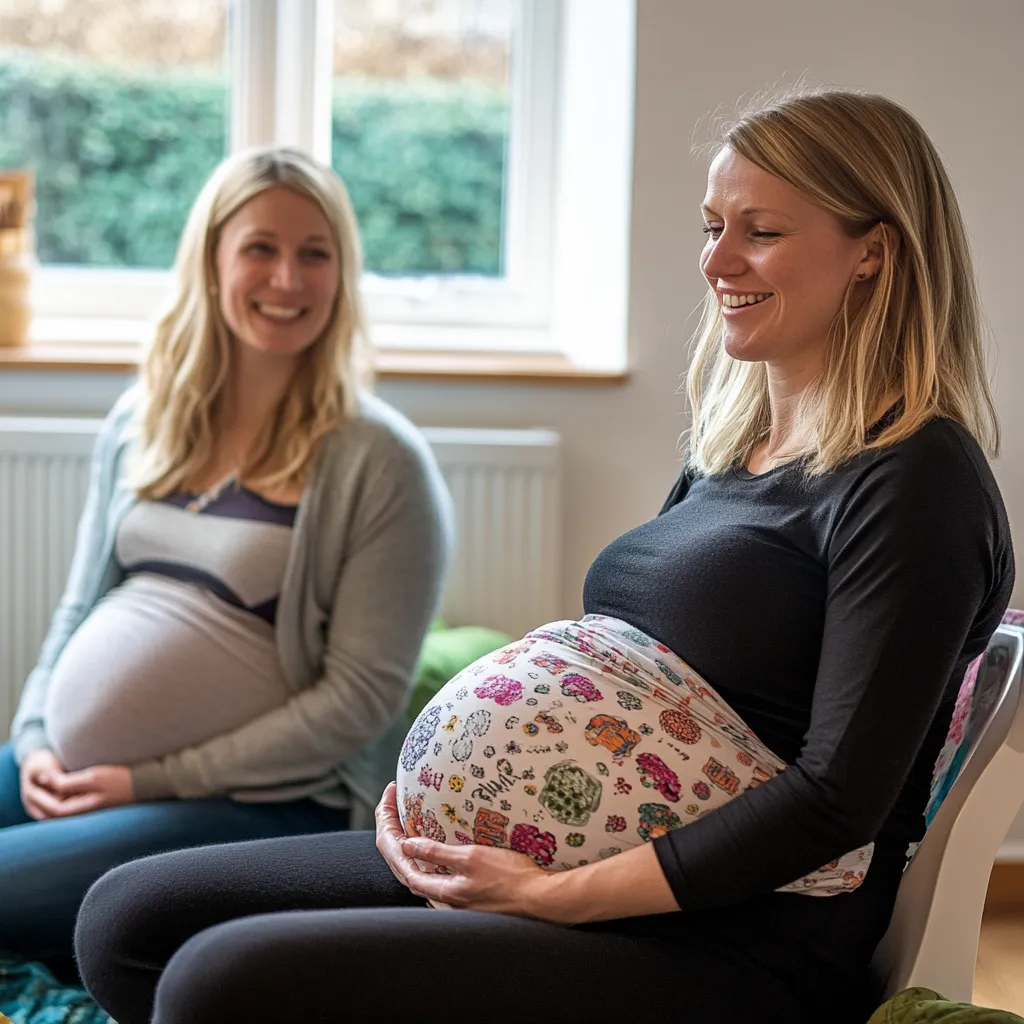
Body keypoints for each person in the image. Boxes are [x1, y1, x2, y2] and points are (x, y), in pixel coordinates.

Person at [75, 89, 1014, 1024]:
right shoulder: (729, 448)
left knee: (216, 981)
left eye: (760, 232)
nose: (717, 261)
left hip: (731, 938)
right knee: (129, 920)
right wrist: (442, 813)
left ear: (874, 254)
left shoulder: (916, 477)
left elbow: (833, 802)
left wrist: (547, 896)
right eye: (712, 225)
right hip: (561, 868)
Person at [1, 146, 452, 967]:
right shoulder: (142, 419)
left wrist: (150, 778)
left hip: (273, 805)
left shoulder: (380, 461)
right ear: (211, 260)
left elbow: (357, 701)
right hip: (71, 767)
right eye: (260, 248)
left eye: (315, 254)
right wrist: (33, 739)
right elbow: (77, 609)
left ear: (342, 275)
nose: (288, 279)